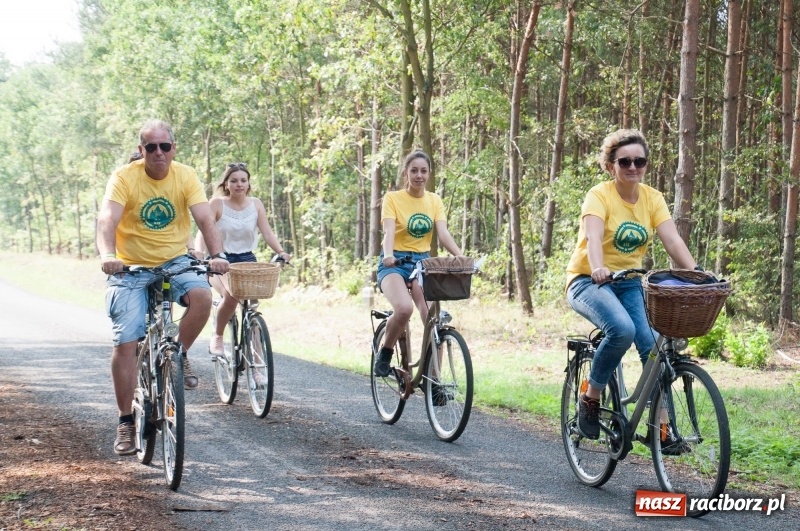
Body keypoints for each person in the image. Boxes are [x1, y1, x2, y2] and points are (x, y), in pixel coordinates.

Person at [97, 119, 230, 456]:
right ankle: (126, 421)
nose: (158, 152)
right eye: (151, 147)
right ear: (141, 151)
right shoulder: (124, 177)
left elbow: (204, 218)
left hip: (174, 260)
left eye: (164, 146)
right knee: (126, 341)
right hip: (130, 266)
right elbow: (107, 220)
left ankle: (178, 354)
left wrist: (218, 255)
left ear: (174, 148)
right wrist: (108, 254)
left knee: (202, 295)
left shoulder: (185, 175)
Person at [565, 128, 698, 440]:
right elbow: (594, 237)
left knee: (652, 346)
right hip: (588, 281)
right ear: (611, 166)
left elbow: (672, 240)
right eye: (625, 162)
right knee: (622, 330)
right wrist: (598, 267)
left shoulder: (653, 199)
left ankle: (660, 428)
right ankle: (591, 398)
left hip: (629, 283)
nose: (633, 168)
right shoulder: (599, 195)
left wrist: (695, 272)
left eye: (640, 161)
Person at [373, 149, 464, 403]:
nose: (419, 175)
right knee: (403, 309)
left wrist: (460, 256)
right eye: (414, 170)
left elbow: (443, 235)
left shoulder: (434, 200)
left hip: (422, 264)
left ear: (429, 174)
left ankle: (433, 381)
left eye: (423, 171)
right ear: (406, 173)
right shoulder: (393, 198)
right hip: (395, 263)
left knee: (434, 319)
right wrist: (388, 253)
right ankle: (385, 352)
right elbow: (389, 231)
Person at [194, 162, 291, 386]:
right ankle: (217, 337)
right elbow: (204, 230)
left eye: (243, 180)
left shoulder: (256, 204)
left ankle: (257, 368)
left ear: (248, 184)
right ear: (226, 184)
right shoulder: (217, 203)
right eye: (234, 180)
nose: (239, 184)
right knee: (232, 295)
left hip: (247, 260)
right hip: (219, 261)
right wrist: (200, 254)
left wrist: (281, 252)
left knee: (252, 312)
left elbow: (266, 231)